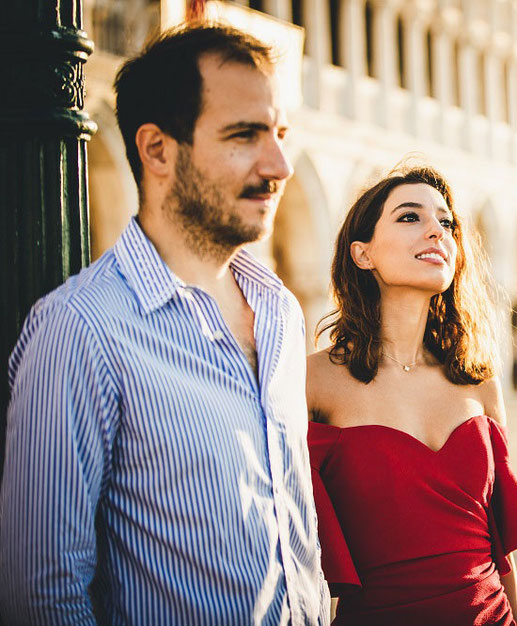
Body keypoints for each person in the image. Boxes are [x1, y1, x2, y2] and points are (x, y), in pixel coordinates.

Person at [0, 25, 331, 624]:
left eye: (280, 133)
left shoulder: (280, 310)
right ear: (157, 150)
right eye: (244, 135)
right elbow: (43, 596)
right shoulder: (80, 331)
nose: (280, 163)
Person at [306, 166, 517, 625]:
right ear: (363, 253)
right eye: (410, 217)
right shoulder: (312, 381)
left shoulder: (479, 379)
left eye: (447, 222)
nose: (437, 231)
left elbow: (500, 546)